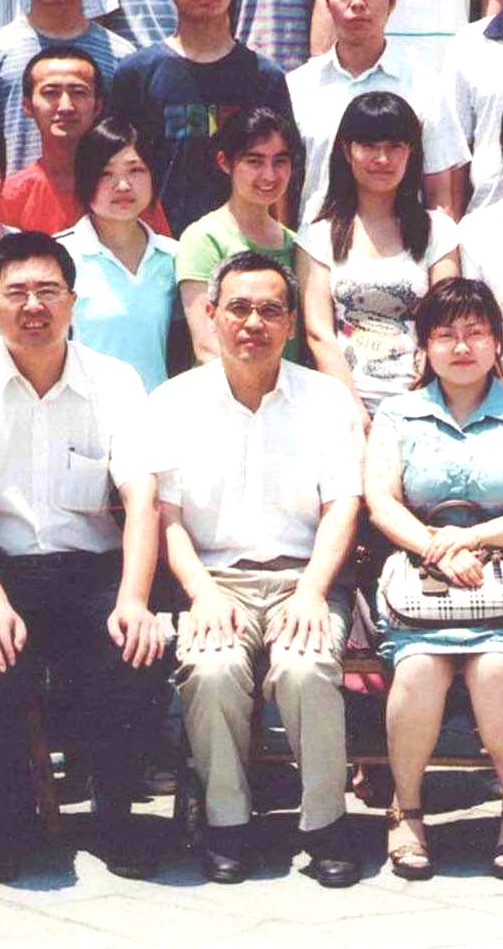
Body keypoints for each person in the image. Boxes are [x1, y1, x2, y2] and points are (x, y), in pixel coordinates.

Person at [0, 227, 165, 880]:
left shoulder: (116, 381)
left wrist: (134, 599)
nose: (34, 306)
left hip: (91, 568)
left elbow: (142, 495)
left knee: (135, 651)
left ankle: (117, 815)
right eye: (17, 292)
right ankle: (6, 823)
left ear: (73, 301)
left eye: (48, 291)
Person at [141, 251, 372, 882]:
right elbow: (166, 518)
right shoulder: (172, 402)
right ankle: (227, 822)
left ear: (292, 323)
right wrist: (200, 593)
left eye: (271, 310)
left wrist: (313, 592)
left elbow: (342, 507)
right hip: (215, 581)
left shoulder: (327, 400)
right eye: (239, 308)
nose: (253, 323)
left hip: (305, 577)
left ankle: (325, 824)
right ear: (210, 314)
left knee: (306, 668)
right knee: (212, 669)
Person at [358, 274, 503, 878]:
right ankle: (406, 811)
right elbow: (381, 501)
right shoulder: (396, 414)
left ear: (497, 342)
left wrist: (472, 539)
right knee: (418, 670)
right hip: (419, 585)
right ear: (424, 346)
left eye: (475, 333)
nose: (460, 346)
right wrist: (436, 546)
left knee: (498, 668)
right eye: (445, 334)